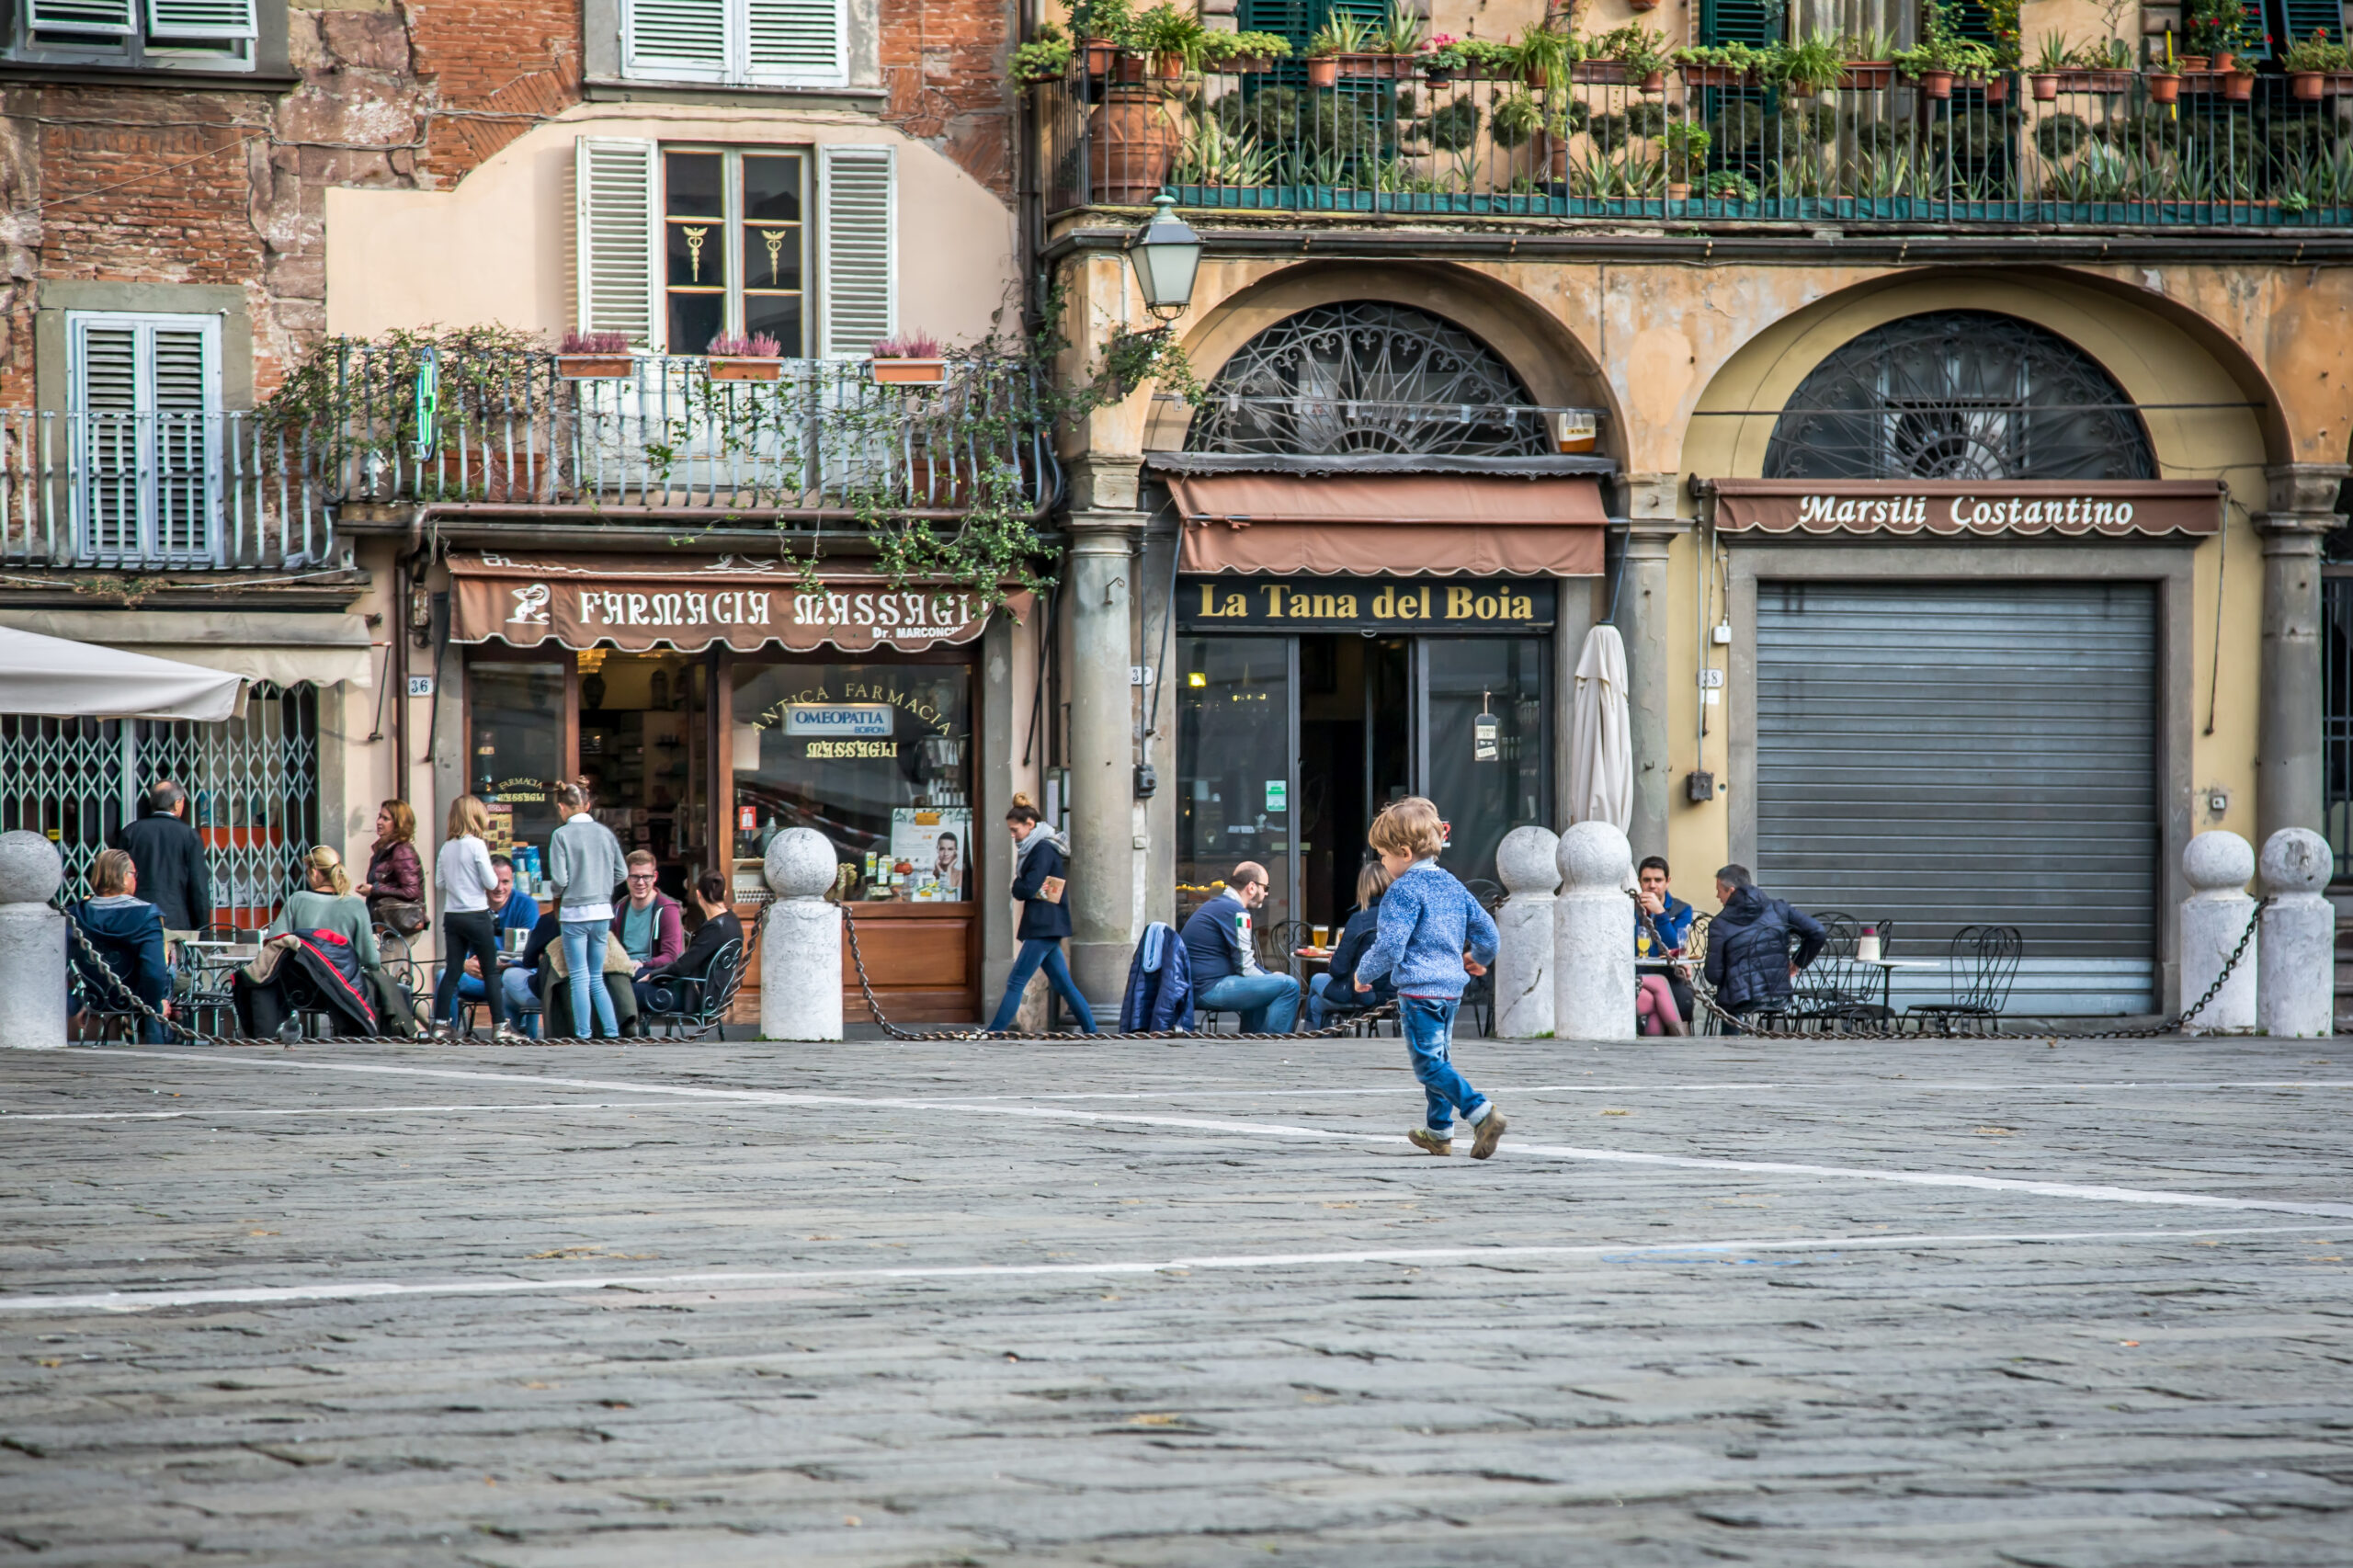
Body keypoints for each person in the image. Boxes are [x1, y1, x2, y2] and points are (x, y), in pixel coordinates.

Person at [1353, 797, 1506, 1159]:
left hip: (1420, 991)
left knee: (1428, 1066)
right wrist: (1477, 959)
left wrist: (1363, 974)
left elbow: (1390, 947)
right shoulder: (1454, 885)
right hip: (1451, 991)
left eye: (1383, 855)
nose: (1382, 864)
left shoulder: (1403, 890)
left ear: (1404, 852)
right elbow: (1490, 935)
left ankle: (1481, 1113)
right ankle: (1439, 1132)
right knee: (1440, 1060)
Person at [233, 846, 383, 1039]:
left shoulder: (297, 900)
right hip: (341, 992)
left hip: (298, 990)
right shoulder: (355, 905)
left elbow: (274, 945)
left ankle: (266, 1036)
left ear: (313, 872)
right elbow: (370, 960)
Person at [983, 794, 1097, 1034]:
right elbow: (1034, 886)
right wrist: (1023, 886)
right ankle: (1092, 1031)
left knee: (1016, 982)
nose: (1013, 836)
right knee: (1064, 985)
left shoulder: (1042, 849)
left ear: (1030, 825)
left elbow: (1027, 887)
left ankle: (994, 1032)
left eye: (1015, 830)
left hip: (1043, 926)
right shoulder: (1042, 847)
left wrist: (1017, 885)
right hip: (1047, 925)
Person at [431, 794, 519, 1042]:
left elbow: (439, 883)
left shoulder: (446, 847)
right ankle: (500, 1025)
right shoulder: (477, 845)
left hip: (452, 915)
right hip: (476, 914)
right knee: (491, 971)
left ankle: (440, 1025)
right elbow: (491, 882)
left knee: (453, 970)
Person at [1702, 863, 1827, 1031]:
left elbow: (1713, 976)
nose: (1717, 896)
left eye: (1719, 890)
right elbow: (1818, 932)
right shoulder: (1779, 908)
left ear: (1731, 891)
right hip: (1778, 995)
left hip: (1739, 1000)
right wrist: (1797, 963)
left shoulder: (1719, 923)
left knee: (1727, 998)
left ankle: (1730, 1049)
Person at [547, 780, 629, 1039]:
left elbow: (559, 881)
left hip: (574, 913)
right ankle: (612, 1031)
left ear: (562, 807)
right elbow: (622, 873)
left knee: (579, 977)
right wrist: (602, 886)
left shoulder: (560, 835)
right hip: (602, 912)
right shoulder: (605, 833)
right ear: (588, 806)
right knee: (596, 977)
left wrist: (562, 892)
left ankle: (583, 1033)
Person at [1180, 861, 1300, 1033]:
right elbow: (1245, 968)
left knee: (1264, 988)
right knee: (1289, 986)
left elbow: (1244, 965)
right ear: (1252, 887)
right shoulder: (1236, 912)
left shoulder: (1219, 905)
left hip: (1198, 987)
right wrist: (1273, 977)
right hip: (1209, 989)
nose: (1266, 894)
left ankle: (1251, 1046)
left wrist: (1269, 977)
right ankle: (1275, 1049)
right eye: (1266, 888)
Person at [68, 848, 172, 1042]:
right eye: (133, 874)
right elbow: (153, 972)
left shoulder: (75, 914)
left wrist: (75, 1002)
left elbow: (56, 964)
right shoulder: (146, 915)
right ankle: (155, 1031)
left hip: (95, 997)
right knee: (171, 970)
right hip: (137, 998)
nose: (136, 879)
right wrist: (155, 1005)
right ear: (124, 877)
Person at [636, 873, 745, 1027]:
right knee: (631, 975)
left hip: (696, 997)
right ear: (725, 893)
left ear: (698, 893)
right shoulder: (732, 921)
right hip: (709, 991)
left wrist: (652, 976)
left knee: (630, 990)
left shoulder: (714, 928)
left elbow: (682, 967)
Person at [111, 780, 211, 936]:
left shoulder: (131, 832)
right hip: (176, 923)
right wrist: (203, 928)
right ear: (178, 803)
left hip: (135, 919)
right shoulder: (189, 836)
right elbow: (198, 887)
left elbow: (116, 878)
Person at [449, 855, 540, 1020]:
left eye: (505, 882)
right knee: (444, 976)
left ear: (513, 881)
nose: (499, 888)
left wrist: (497, 964)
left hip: (512, 974)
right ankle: (448, 1036)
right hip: (480, 975)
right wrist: (464, 964)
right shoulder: (470, 905)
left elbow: (526, 954)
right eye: (494, 882)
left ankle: (524, 1038)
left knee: (515, 982)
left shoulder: (526, 905)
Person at [1307, 860, 1393, 1028]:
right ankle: (1314, 1041)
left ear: (1363, 887)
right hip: (1395, 996)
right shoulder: (1402, 918)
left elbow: (1339, 970)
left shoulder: (1359, 919)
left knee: (1316, 980)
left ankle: (1309, 1044)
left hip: (1363, 993)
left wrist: (1333, 962)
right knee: (1317, 1004)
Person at [611, 850, 685, 1032]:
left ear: (655, 877)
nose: (641, 883)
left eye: (646, 877)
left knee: (615, 989)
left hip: (658, 978)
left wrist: (642, 963)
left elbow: (671, 957)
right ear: (627, 878)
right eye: (635, 877)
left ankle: (620, 1034)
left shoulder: (667, 909)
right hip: (624, 971)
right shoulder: (620, 909)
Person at [1634, 855, 1696, 1038]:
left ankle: (1655, 1052)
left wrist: (1660, 914)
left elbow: (1674, 946)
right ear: (1639, 882)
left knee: (1676, 997)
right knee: (1658, 993)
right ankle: (1681, 1042)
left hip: (1668, 974)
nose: (1652, 885)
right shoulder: (1629, 908)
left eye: (1658, 880)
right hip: (1637, 973)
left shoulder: (1681, 909)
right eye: (1647, 880)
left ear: (1667, 881)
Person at [355, 800, 426, 937]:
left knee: (393, 958)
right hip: (387, 924)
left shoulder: (402, 851)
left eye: (385, 818)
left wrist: (374, 889)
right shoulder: (385, 849)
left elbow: (411, 891)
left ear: (398, 823)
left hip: (400, 923)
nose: (379, 822)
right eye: (379, 816)